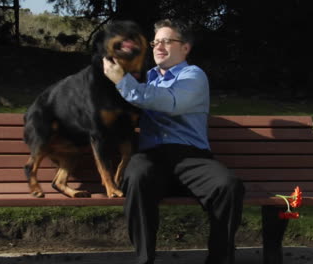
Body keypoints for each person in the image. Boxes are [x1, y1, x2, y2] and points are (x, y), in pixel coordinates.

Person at [103, 19, 244, 264]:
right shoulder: (147, 77)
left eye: (167, 41)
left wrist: (122, 82)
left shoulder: (194, 76)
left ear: (185, 48)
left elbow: (171, 102)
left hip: (191, 157)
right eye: (156, 41)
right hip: (152, 157)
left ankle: (220, 260)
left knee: (228, 186)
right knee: (136, 176)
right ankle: (144, 259)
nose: (158, 46)